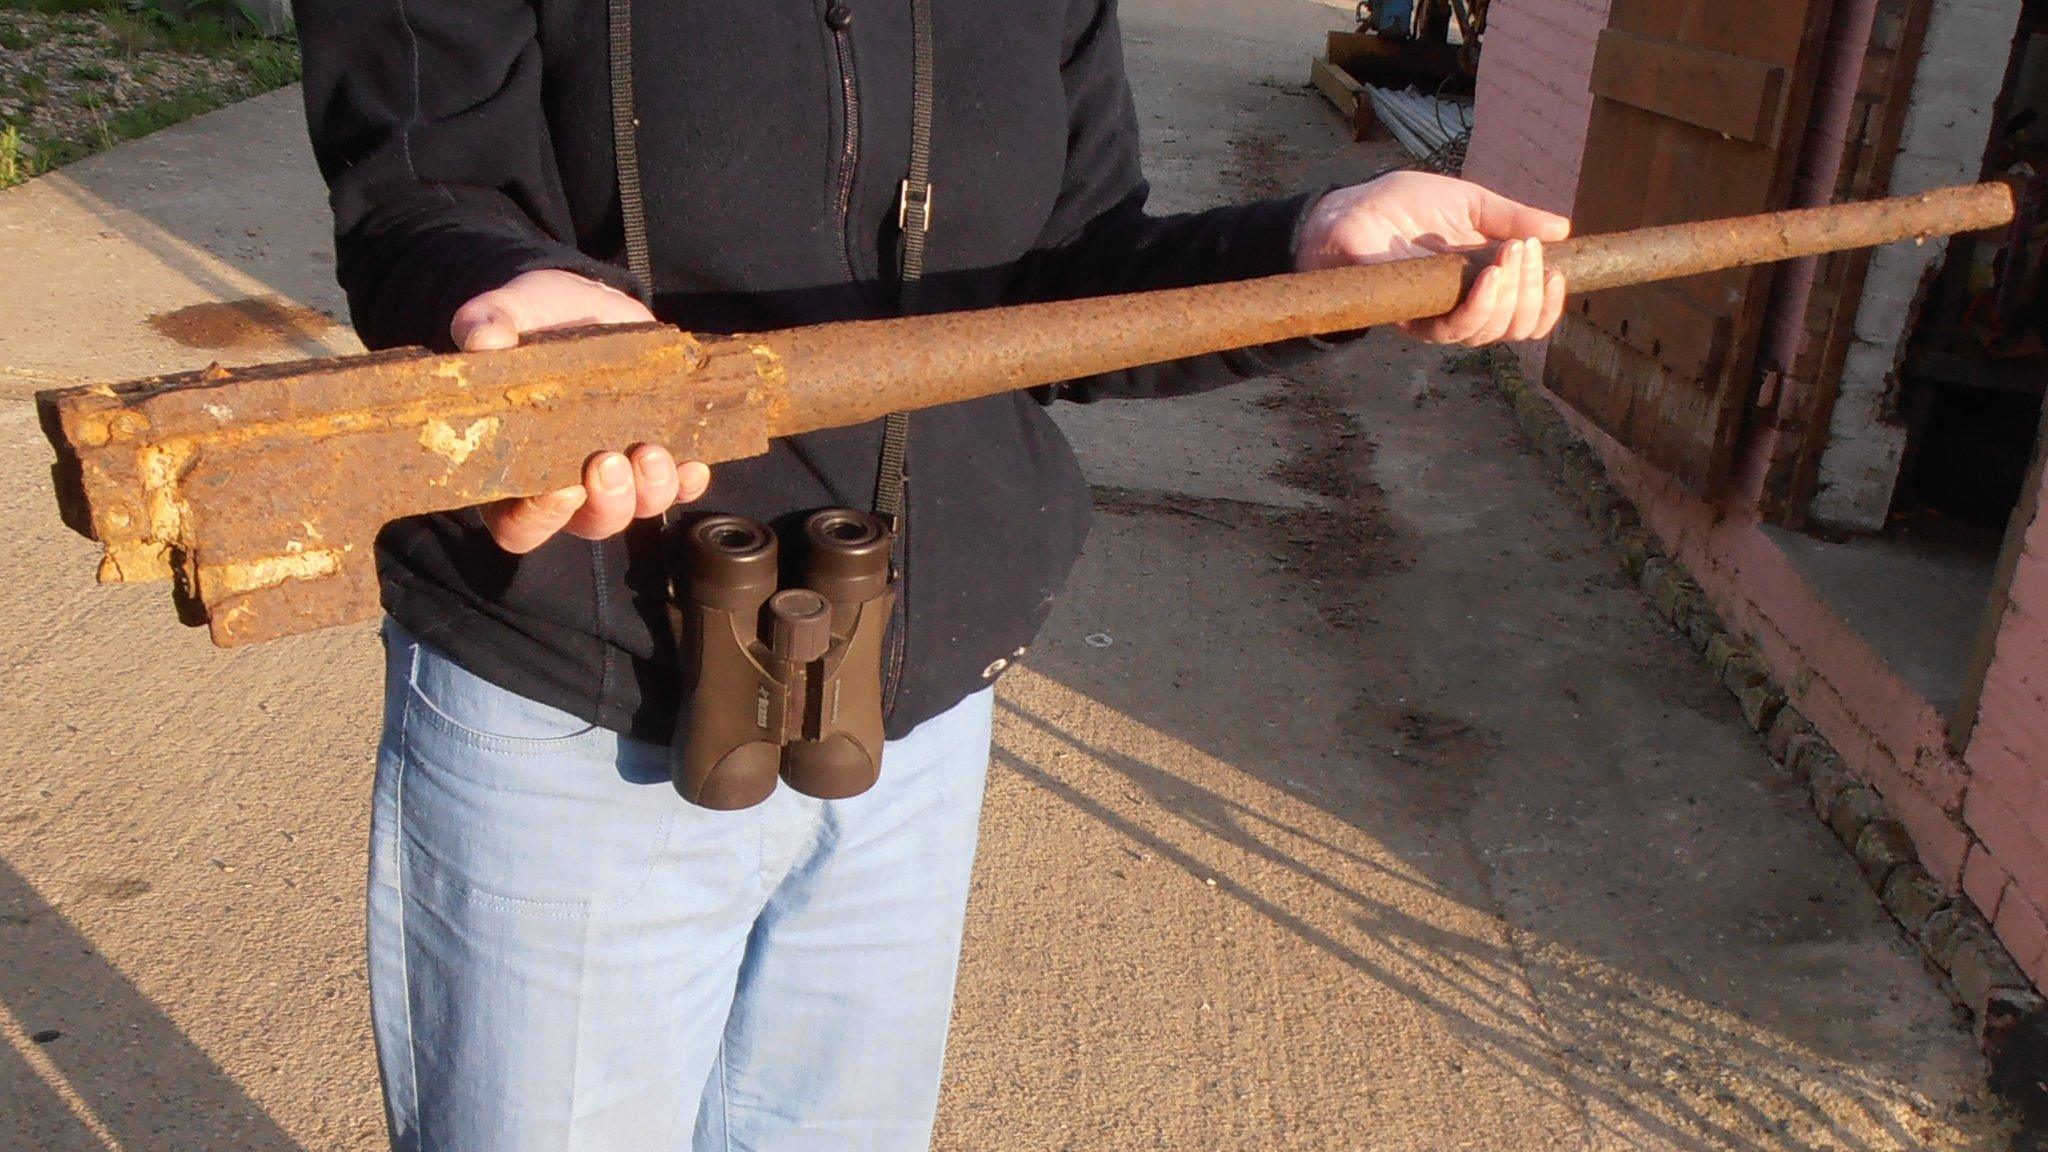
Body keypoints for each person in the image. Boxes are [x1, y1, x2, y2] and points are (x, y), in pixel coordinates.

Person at [294, 0, 1568, 1147]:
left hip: (907, 731)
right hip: (574, 699)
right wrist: (521, 296)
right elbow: (416, 197)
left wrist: (1312, 254)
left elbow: (1068, 278)